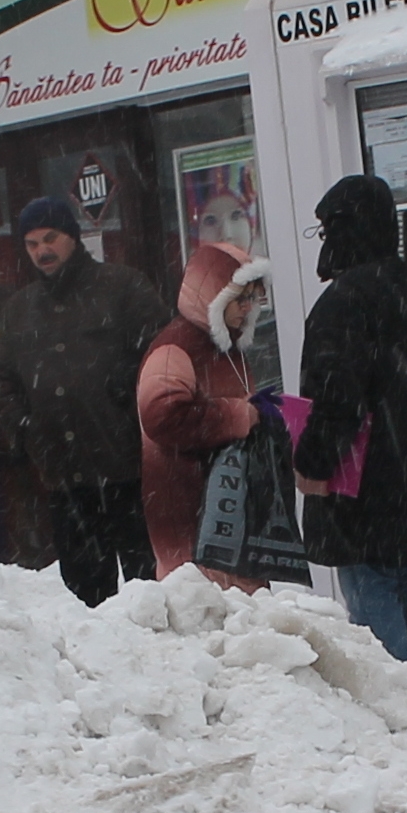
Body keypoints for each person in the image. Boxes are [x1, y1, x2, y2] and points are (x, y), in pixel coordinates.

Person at [296, 173, 407, 681]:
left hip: (361, 489)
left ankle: (393, 717)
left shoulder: (342, 303)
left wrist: (311, 463)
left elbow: (336, 399)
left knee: (373, 605)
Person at [0, 194, 170, 604]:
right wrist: (25, 429)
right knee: (87, 598)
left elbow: (164, 353)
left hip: (129, 470)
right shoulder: (20, 310)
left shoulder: (121, 288)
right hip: (66, 479)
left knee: (150, 590)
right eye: (31, 244)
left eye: (50, 239)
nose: (42, 252)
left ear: (72, 236)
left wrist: (131, 396)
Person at [139, 241, 277, 586]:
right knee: (206, 620)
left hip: (227, 512)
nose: (247, 309)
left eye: (253, 299)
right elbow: (161, 417)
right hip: (189, 516)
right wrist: (237, 417)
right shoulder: (176, 348)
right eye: (239, 299)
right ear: (214, 297)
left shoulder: (227, 346)